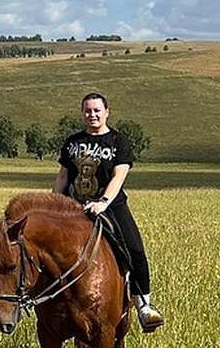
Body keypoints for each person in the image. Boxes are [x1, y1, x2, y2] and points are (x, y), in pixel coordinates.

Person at [53, 92, 164, 333]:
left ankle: (144, 305)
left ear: (106, 112)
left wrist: (103, 201)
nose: (91, 115)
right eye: (87, 110)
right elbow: (63, 176)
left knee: (135, 250)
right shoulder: (73, 141)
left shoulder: (118, 142)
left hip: (111, 206)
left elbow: (119, 176)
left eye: (96, 110)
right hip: (75, 207)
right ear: (82, 113)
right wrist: (54, 204)